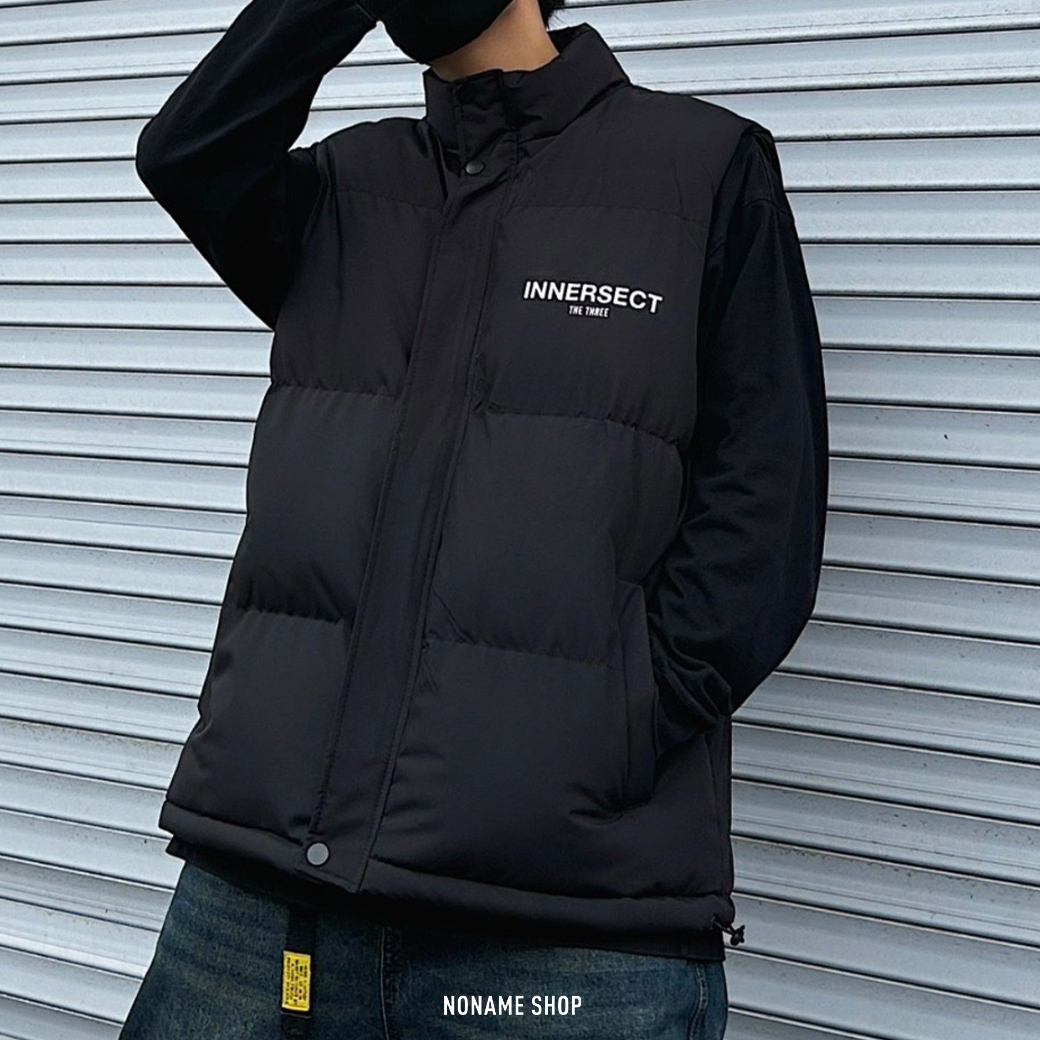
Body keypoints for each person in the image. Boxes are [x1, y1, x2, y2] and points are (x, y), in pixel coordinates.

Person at [121, 0, 828, 1036]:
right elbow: (187, 153)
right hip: (263, 907)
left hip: (565, 937)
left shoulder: (701, 167)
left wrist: (618, 718)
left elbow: (764, 516)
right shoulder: (343, 188)